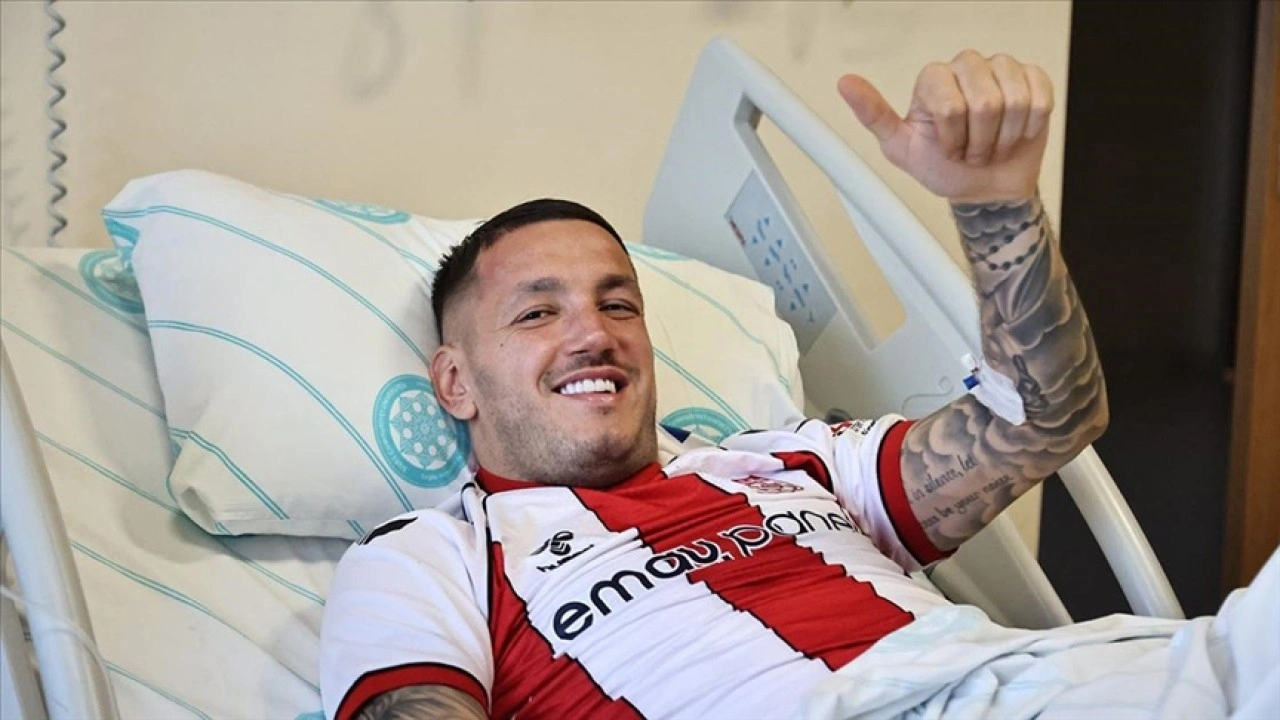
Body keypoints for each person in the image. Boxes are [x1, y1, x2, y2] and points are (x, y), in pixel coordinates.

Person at [319, 51, 1278, 720]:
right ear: (455, 382)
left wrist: (996, 204)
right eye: (537, 313)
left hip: (1058, 683)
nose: (593, 334)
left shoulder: (786, 463)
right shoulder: (430, 556)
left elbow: (1046, 420)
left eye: (618, 304)